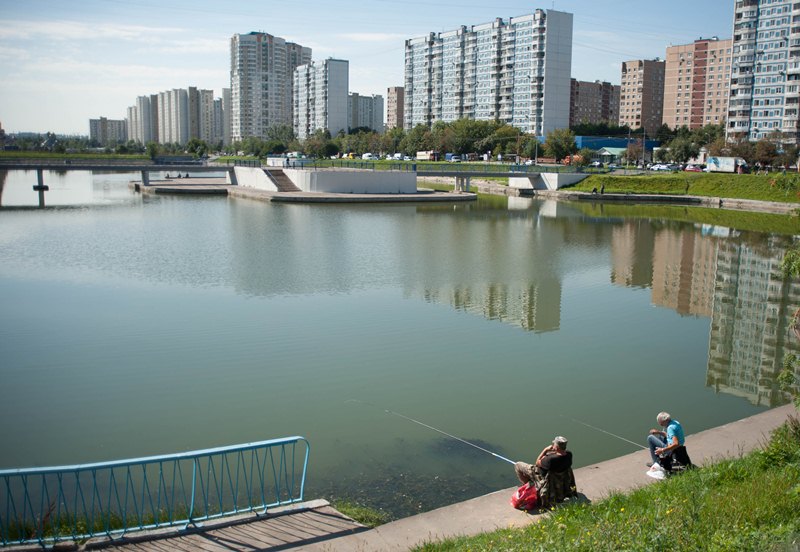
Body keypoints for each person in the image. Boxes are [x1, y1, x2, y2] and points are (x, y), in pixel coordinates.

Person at [514, 436, 577, 508]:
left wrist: (545, 450)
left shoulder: (550, 459)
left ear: (556, 447)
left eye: (554, 444)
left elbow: (537, 463)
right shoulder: (569, 454)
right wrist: (553, 452)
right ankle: (531, 484)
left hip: (540, 475)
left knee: (518, 465)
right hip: (559, 476)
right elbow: (559, 456)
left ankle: (529, 485)